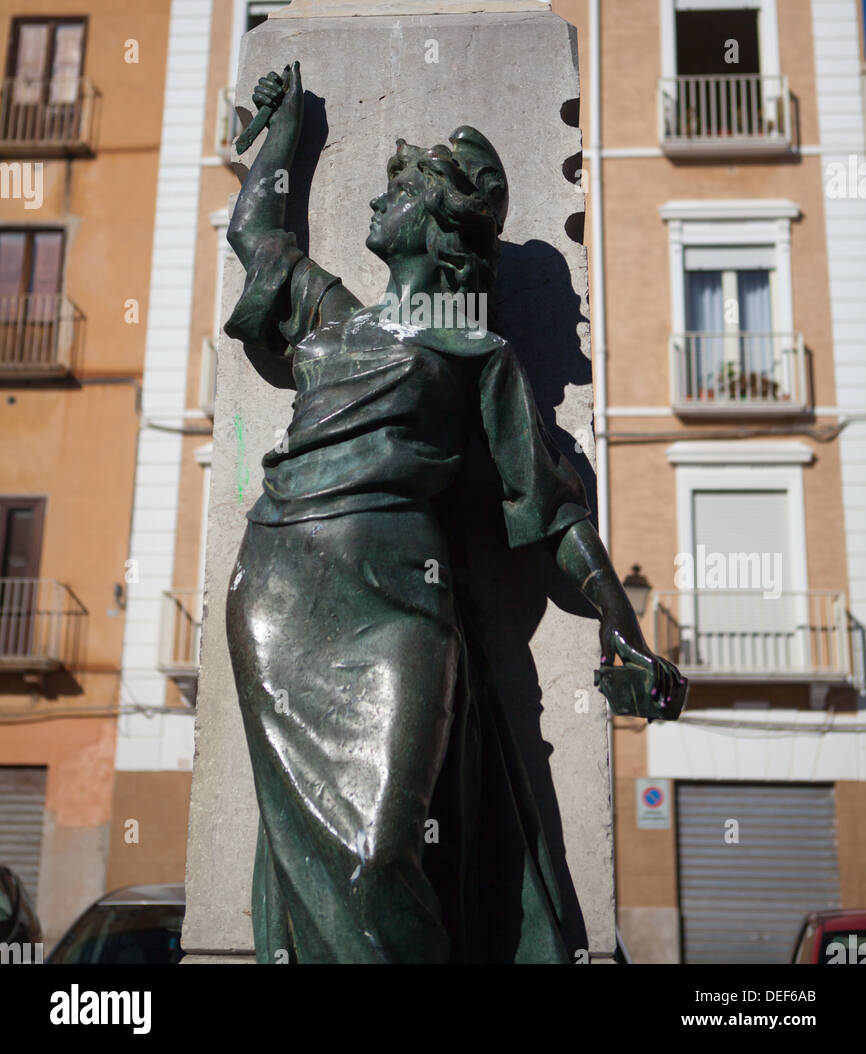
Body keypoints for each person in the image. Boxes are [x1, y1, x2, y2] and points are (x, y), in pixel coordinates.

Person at [224, 61, 682, 964]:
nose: (374, 205)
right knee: (324, 851)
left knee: (379, 850)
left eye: (396, 192)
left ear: (434, 224)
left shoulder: (476, 350)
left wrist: (622, 629)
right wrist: (283, 134)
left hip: (397, 598)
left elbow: (549, 510)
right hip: (279, 591)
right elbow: (259, 235)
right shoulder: (330, 322)